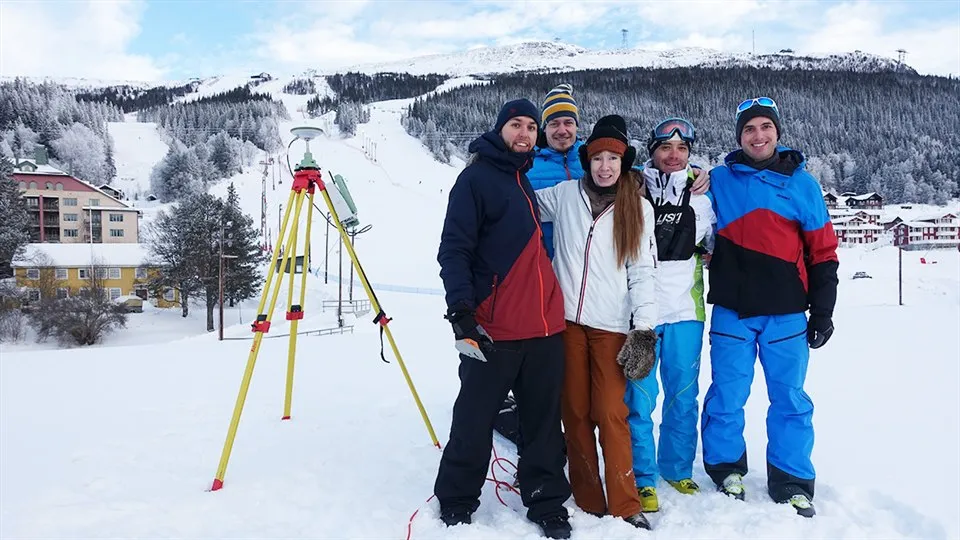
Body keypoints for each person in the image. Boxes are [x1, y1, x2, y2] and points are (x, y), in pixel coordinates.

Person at [434, 98, 573, 539]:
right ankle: (457, 500)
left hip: (546, 327)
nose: (525, 134)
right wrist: (461, 312)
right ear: (500, 129)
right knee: (474, 420)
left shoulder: (524, 179)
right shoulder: (475, 179)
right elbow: (454, 249)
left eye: (532, 127)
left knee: (543, 423)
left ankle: (547, 502)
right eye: (517, 125)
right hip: (493, 328)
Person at [700, 97, 839, 518]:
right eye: (749, 129)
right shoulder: (717, 179)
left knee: (790, 399)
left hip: (787, 314)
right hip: (732, 310)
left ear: (777, 132)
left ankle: (792, 480)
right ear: (738, 136)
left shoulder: (802, 184)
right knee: (727, 394)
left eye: (765, 127)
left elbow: (823, 251)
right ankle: (726, 469)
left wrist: (824, 310)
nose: (757, 136)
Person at [536, 115, 657, 530]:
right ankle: (588, 500)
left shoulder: (638, 207)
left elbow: (643, 272)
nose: (605, 166)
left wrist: (643, 330)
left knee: (610, 413)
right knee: (574, 411)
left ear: (624, 162)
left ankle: (625, 502)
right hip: (566, 322)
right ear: (586, 159)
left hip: (611, 326)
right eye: (598, 157)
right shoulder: (566, 194)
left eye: (614, 158)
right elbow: (522, 200)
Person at [624, 117, 717, 513]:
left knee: (683, 395)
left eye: (682, 149)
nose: (674, 156)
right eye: (665, 148)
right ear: (652, 151)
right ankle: (642, 477)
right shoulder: (633, 187)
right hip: (641, 311)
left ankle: (677, 467)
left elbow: (714, 242)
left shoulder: (703, 194)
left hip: (685, 310)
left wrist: (710, 175)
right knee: (640, 398)